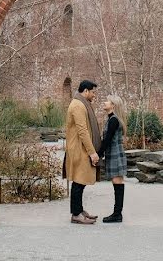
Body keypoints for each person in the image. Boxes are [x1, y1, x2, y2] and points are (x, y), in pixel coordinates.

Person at [63, 79, 101, 224]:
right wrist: (92, 152)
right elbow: (82, 130)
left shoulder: (80, 103)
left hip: (80, 147)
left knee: (80, 181)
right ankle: (76, 214)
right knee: (79, 181)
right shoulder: (78, 105)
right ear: (85, 91)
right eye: (92, 92)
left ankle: (79, 210)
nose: (94, 95)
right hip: (79, 149)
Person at [96, 94, 127, 223]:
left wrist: (98, 154)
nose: (104, 102)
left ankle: (117, 214)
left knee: (117, 182)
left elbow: (107, 140)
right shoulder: (112, 119)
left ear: (113, 105)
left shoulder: (114, 120)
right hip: (115, 152)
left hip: (115, 153)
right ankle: (117, 213)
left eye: (107, 101)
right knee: (117, 182)